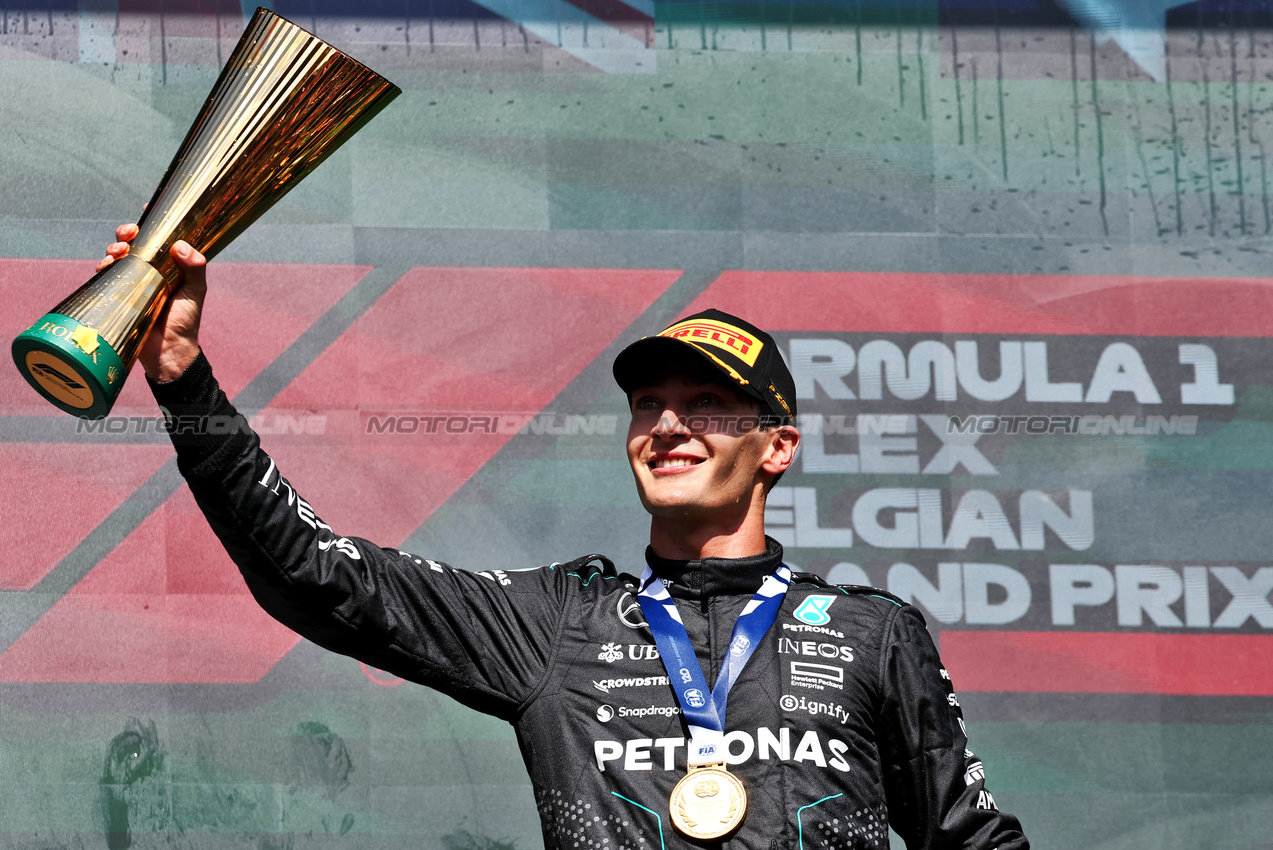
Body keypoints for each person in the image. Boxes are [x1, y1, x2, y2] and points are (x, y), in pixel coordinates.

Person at [99, 230, 1030, 850]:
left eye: (707, 404)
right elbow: (314, 573)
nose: (668, 425)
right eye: (647, 405)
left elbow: (973, 840)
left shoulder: (872, 633)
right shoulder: (561, 622)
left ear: (776, 446)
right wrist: (183, 379)